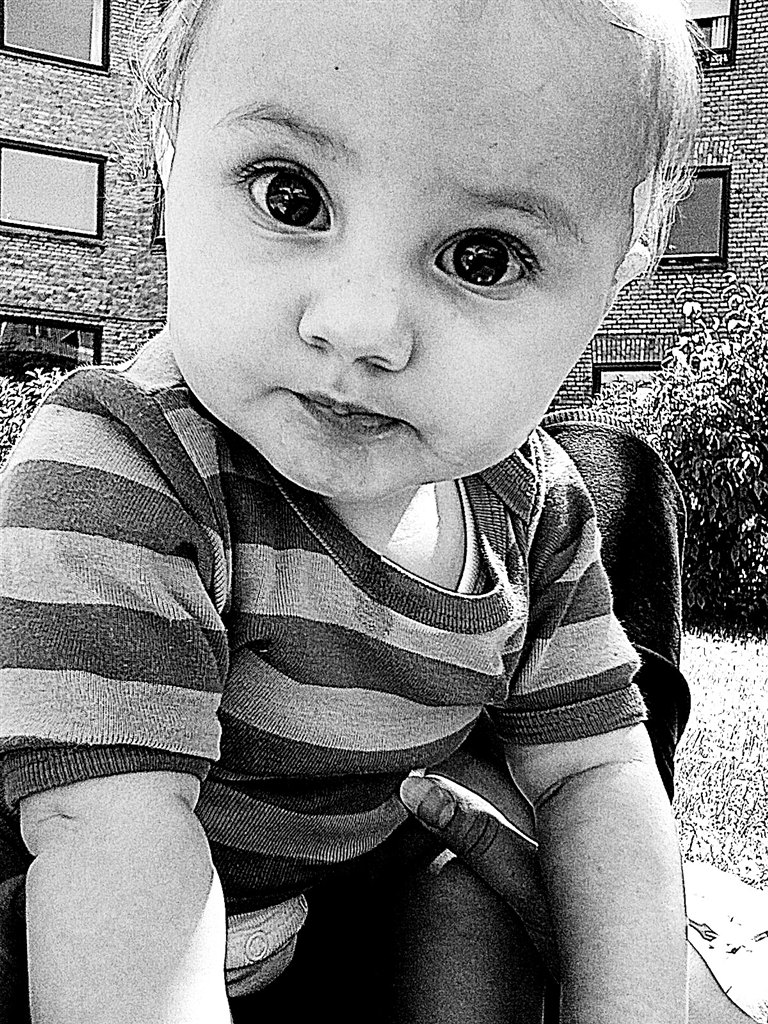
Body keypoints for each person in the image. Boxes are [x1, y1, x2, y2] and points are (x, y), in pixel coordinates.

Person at [0, 1, 702, 1021]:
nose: (360, 326)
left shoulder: (535, 512)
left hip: (326, 907)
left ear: (611, 289)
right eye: (290, 197)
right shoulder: (128, 464)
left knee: (473, 872)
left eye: (483, 257)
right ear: (165, 153)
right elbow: (111, 837)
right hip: (81, 934)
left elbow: (597, 776)